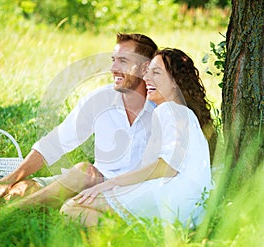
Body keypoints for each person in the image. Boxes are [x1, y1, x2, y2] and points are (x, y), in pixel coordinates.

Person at [0, 33, 158, 208]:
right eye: (113, 60)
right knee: (22, 188)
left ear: (144, 68)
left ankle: (8, 213)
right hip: (90, 183)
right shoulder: (100, 100)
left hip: (128, 195)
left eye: (123, 61)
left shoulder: (163, 109)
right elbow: (54, 144)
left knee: (84, 171)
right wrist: (9, 179)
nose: (113, 68)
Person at [60, 48, 216, 227]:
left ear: (175, 82)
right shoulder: (183, 113)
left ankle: (132, 236)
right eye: (147, 72)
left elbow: (168, 167)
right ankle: (130, 233)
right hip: (190, 206)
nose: (147, 78)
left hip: (168, 198)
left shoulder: (169, 110)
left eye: (156, 73)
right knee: (84, 208)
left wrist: (112, 183)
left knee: (70, 208)